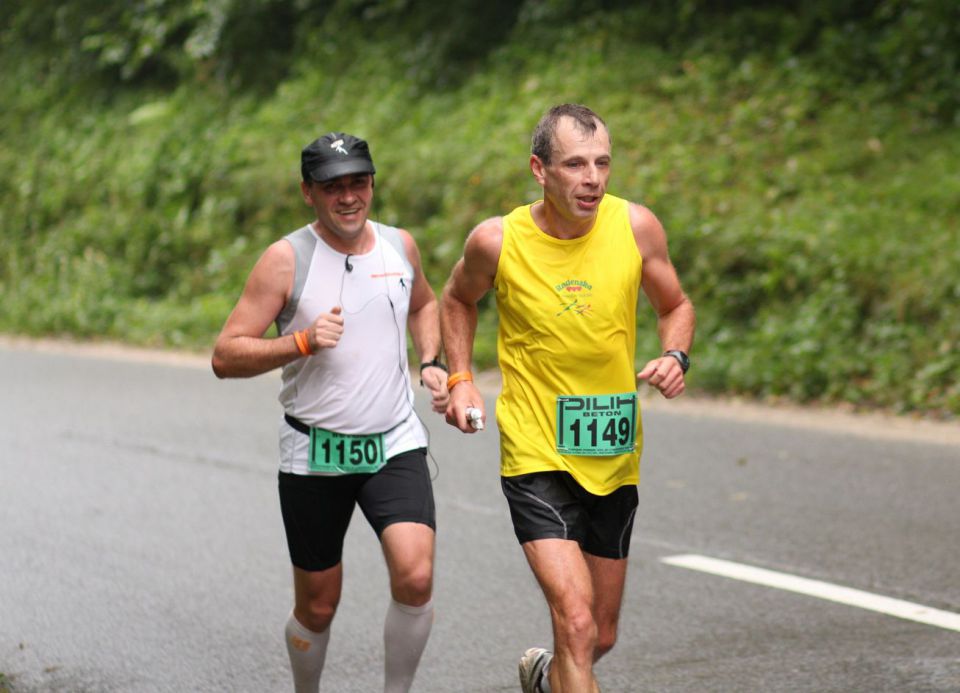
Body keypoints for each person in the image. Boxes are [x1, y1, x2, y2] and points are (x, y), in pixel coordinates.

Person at [440, 104, 695, 693]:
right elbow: (457, 299)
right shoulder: (497, 240)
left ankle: (545, 679)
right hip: (536, 451)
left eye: (602, 163)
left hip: (613, 448)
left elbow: (675, 306)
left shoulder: (635, 227)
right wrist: (460, 377)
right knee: (576, 622)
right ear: (540, 169)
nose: (593, 179)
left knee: (599, 635)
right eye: (575, 164)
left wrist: (675, 355)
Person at [211, 131, 449, 693]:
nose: (348, 197)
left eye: (358, 183)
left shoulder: (399, 246)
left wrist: (433, 360)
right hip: (315, 450)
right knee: (318, 606)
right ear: (308, 193)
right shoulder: (285, 259)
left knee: (415, 576)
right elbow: (226, 355)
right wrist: (299, 343)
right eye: (333, 186)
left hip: (394, 440)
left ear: (372, 184)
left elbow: (426, 303)